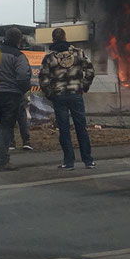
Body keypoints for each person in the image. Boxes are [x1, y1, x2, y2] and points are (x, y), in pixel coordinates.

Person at [39, 28, 95, 171]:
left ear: (53, 39)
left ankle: (69, 163)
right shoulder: (78, 53)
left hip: (59, 96)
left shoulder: (49, 58)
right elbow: (90, 71)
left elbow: (43, 78)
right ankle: (88, 161)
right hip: (76, 94)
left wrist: (50, 94)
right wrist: (83, 87)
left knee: (64, 130)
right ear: (65, 37)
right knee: (81, 128)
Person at [0, 28, 31, 171]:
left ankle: (3, 158)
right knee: (6, 128)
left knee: (1, 126)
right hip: (11, 96)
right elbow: (23, 76)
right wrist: (22, 90)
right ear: (19, 40)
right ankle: (3, 162)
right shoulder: (19, 56)